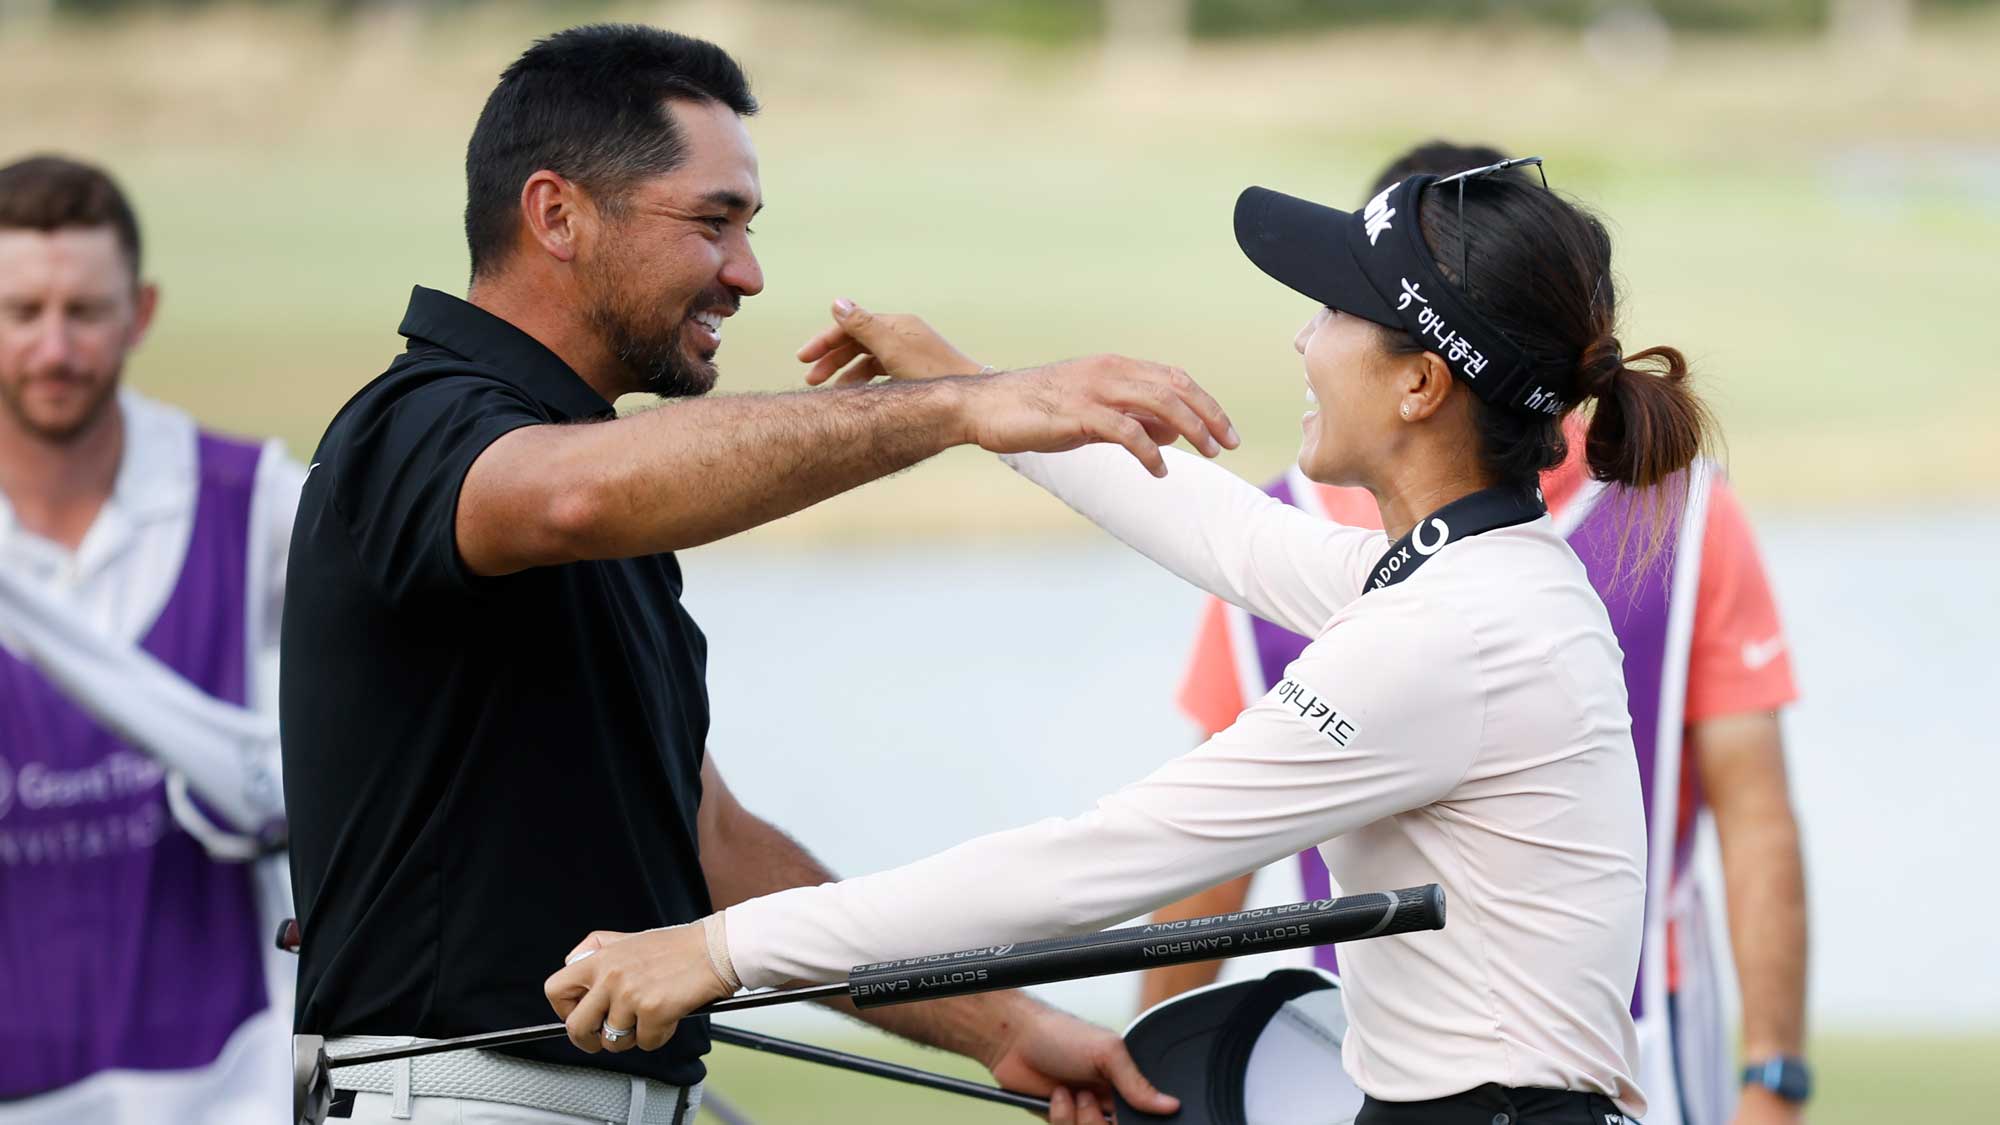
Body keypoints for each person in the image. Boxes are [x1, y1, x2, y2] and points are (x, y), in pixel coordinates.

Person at [544, 156, 1718, 1125]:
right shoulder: (1476, 576)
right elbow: (1224, 532)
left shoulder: (1448, 636)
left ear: (1418, 384)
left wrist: (720, 947)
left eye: (1331, 313)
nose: (1301, 340)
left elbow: (1093, 864)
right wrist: (965, 393)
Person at [280, 25, 1228, 1125]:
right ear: (556, 215)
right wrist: (959, 407)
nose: (746, 272)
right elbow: (566, 492)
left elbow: (714, 850)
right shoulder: (419, 424)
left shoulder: (603, 500)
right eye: (712, 222)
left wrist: (1002, 1027)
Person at [1141, 141, 1811, 1125]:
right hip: (1370, 1045)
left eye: (1341, 296)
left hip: (1639, 1033)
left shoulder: (1685, 517)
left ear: (1422, 363)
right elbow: (1210, 845)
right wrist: (1152, 1082)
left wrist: (1772, 1080)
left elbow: (1752, 821)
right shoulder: (1273, 535)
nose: (1311, 328)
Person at [0, 154, 302, 1123]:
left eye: (85, 313)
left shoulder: (251, 502)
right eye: (22, 313)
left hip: (225, 1085)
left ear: (141, 312)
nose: (54, 350)